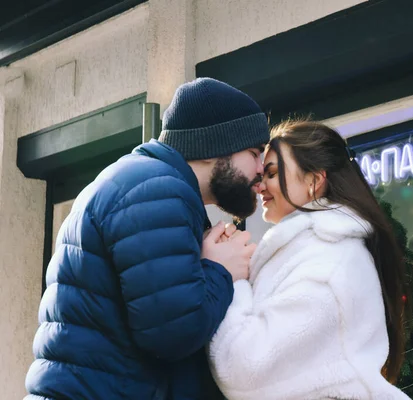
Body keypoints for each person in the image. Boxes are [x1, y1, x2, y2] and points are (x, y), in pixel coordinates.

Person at [24, 78, 269, 400]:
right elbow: (172, 334)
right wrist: (220, 270)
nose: (262, 168)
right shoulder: (157, 190)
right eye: (254, 152)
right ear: (214, 147)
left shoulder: (145, 183)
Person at [208, 120, 412, 399]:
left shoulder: (327, 264)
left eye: (272, 173)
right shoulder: (314, 253)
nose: (260, 186)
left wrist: (231, 278)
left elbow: (245, 371)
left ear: (314, 181)